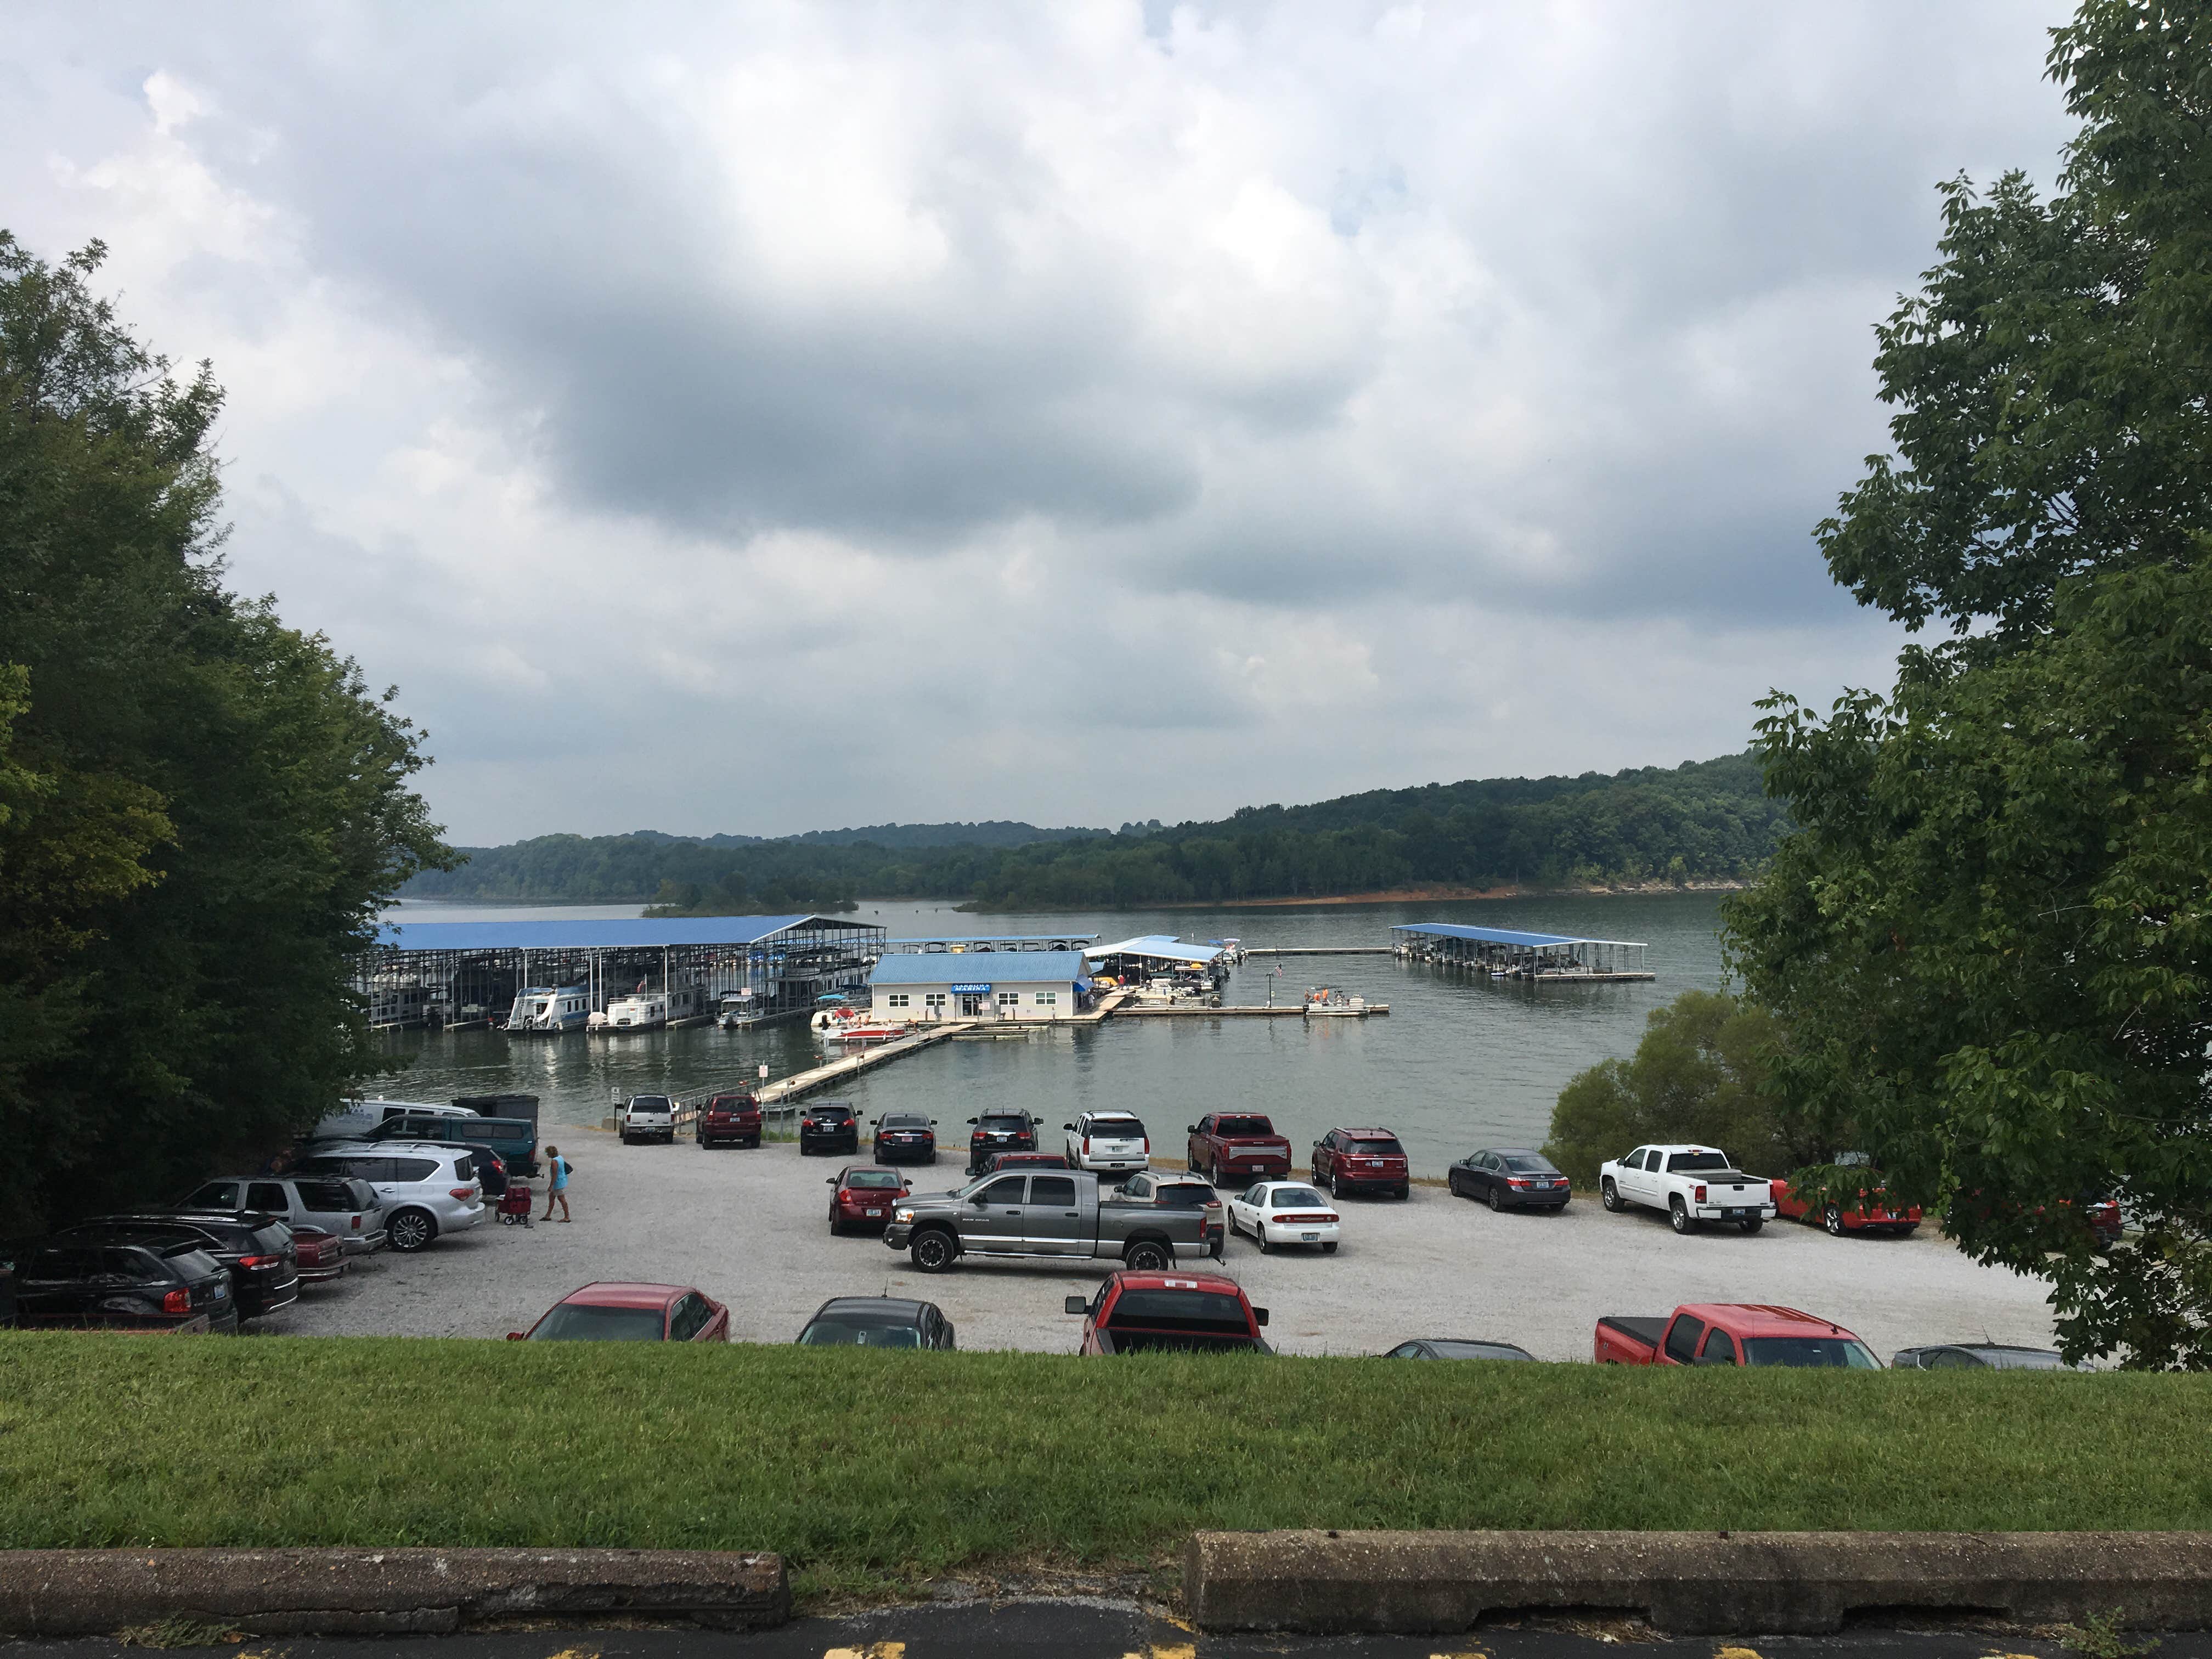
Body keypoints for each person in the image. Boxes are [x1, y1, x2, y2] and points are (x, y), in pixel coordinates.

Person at [543, 1145, 572, 1222]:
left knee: (561, 1199)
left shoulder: (554, 1161)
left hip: (558, 1183)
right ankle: (548, 1215)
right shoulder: (560, 1158)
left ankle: (567, 1217)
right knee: (552, 1197)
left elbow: (555, 1174)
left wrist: (551, 1186)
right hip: (562, 1180)